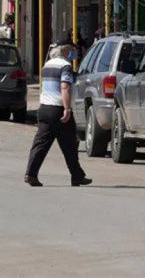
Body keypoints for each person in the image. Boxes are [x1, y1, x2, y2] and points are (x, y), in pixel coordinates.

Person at [25, 38, 92, 187]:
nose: (74, 53)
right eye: (73, 50)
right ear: (66, 50)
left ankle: (31, 173)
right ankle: (77, 176)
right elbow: (65, 87)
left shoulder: (47, 65)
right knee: (70, 145)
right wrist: (67, 108)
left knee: (42, 144)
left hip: (44, 108)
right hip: (58, 109)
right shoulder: (65, 66)